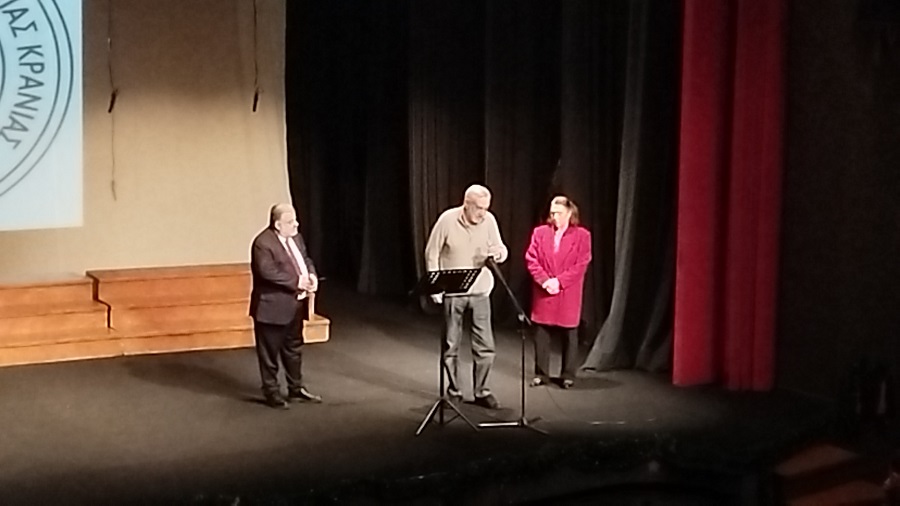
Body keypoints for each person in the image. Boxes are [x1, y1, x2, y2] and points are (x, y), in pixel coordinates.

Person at [425, 184, 508, 409]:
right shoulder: (447, 220)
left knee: (485, 344)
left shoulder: (489, 221)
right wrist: (435, 285)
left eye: (486, 208)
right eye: (479, 208)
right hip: (453, 290)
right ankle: (454, 390)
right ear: (466, 204)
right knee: (451, 343)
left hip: (480, 290)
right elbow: (432, 253)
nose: (483, 213)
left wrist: (499, 254)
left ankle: (482, 391)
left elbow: (501, 248)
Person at [249, 203, 322, 409]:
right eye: (290, 222)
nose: (296, 225)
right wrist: (298, 282)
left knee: (293, 349)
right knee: (269, 353)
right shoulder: (263, 243)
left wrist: (311, 275)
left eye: (295, 220)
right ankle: (272, 392)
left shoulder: (296, 238)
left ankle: (295, 388)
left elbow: (305, 259)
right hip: (272, 308)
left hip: (295, 306)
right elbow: (267, 272)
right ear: (277, 224)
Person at [525, 195, 592, 389]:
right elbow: (531, 258)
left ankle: (568, 374)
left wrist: (559, 282)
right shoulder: (540, 233)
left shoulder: (582, 235)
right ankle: (541, 374)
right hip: (544, 289)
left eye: (559, 213)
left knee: (569, 333)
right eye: (552, 213)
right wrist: (545, 280)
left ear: (570, 213)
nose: (555, 217)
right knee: (541, 332)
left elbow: (581, 264)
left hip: (568, 291)